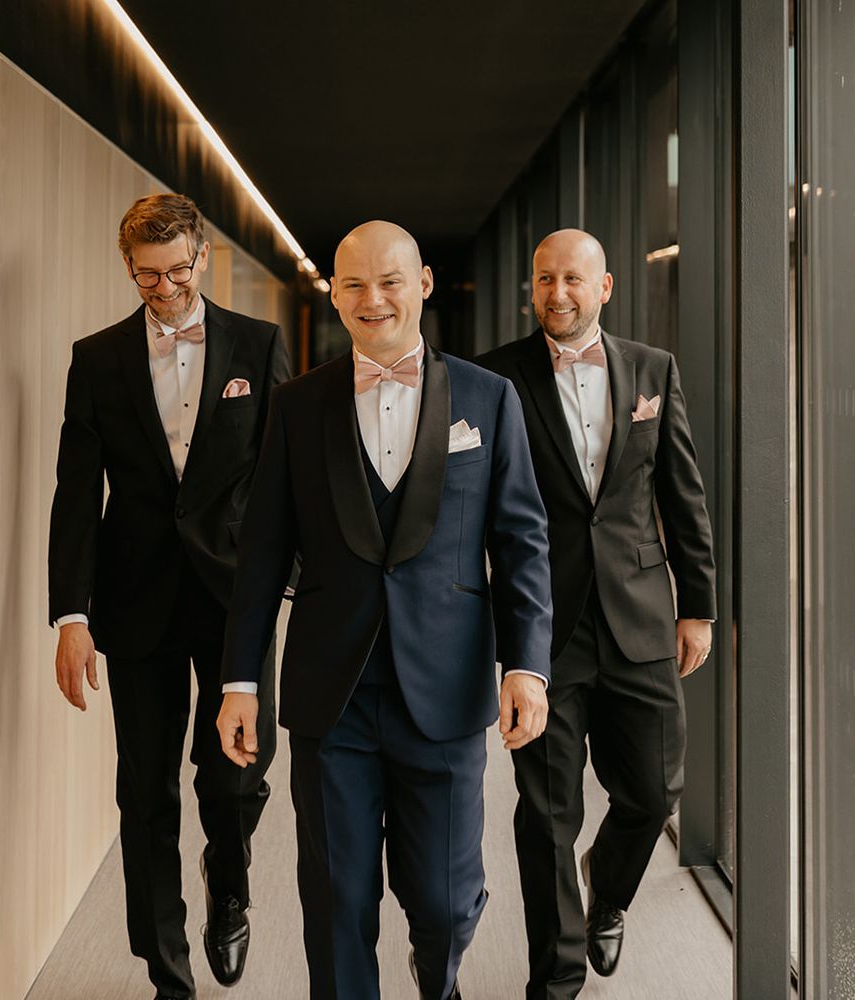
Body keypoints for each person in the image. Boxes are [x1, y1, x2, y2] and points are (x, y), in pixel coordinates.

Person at [215, 220, 553, 1000]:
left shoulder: (488, 397)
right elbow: (262, 551)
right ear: (334, 294)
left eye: (390, 281)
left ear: (424, 284)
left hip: (447, 687)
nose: (374, 299)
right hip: (332, 695)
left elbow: (523, 541)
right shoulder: (298, 406)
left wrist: (526, 664)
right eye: (355, 284)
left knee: (442, 902)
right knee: (337, 899)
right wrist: (239, 682)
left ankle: (438, 973)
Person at [47, 193, 290, 999]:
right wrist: (71, 615)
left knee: (234, 776)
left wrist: (292, 580)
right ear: (128, 268)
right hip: (137, 599)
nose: (165, 289)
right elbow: (76, 495)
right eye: (147, 276)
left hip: (236, 600)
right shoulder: (97, 357)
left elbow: (285, 478)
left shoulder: (259, 346)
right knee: (143, 789)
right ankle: (167, 970)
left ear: (203, 257)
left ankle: (230, 883)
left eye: (177, 271)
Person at [478, 229, 716, 998]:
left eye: (573, 280)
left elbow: (681, 495)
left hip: (641, 615)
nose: (558, 294)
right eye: (544, 279)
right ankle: (557, 979)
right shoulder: (498, 378)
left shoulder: (653, 369)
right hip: (542, 628)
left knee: (652, 792)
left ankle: (607, 894)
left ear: (604, 287)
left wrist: (699, 606)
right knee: (547, 813)